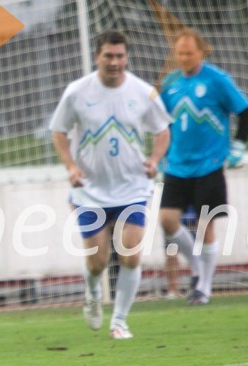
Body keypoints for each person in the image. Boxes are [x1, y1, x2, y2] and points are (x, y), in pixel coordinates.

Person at [51, 30, 170, 340]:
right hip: (90, 191)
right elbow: (59, 131)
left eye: (119, 56)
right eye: (109, 56)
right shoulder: (77, 92)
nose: (114, 62)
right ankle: (92, 295)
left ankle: (120, 321)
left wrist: (155, 159)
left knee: (131, 255)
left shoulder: (143, 92)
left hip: (133, 187)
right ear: (97, 57)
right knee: (98, 261)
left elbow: (162, 130)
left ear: (126, 58)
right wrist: (71, 166)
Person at [159, 28, 248, 305]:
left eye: (189, 53)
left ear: (201, 52)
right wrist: (159, 155)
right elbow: (160, 122)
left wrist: (237, 146)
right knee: (167, 220)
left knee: (205, 225)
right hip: (176, 166)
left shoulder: (217, 80)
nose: (184, 58)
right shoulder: (171, 84)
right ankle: (199, 269)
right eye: (180, 53)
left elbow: (246, 112)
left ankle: (204, 287)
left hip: (209, 164)